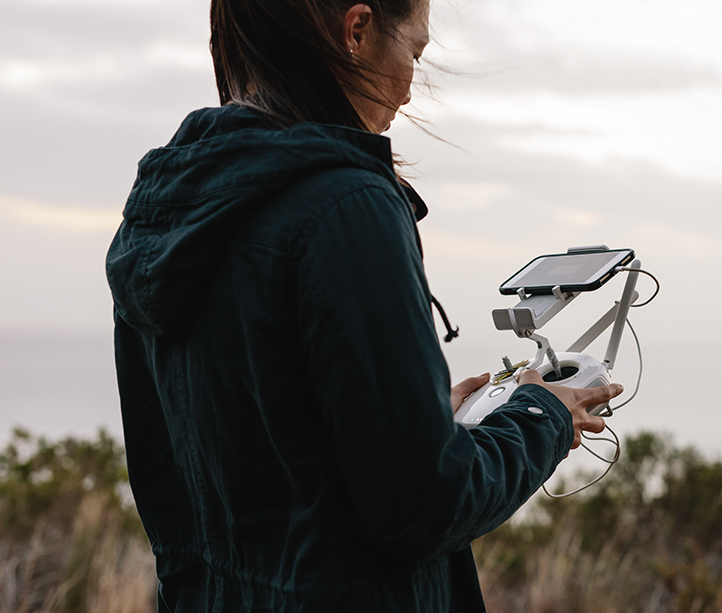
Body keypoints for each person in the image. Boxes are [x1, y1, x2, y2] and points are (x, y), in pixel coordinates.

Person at [105, 0, 622, 610]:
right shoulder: (347, 207)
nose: (408, 91)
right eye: (415, 52)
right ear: (357, 31)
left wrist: (424, 426)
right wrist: (542, 416)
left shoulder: (163, 217)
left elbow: (248, 464)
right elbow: (426, 507)